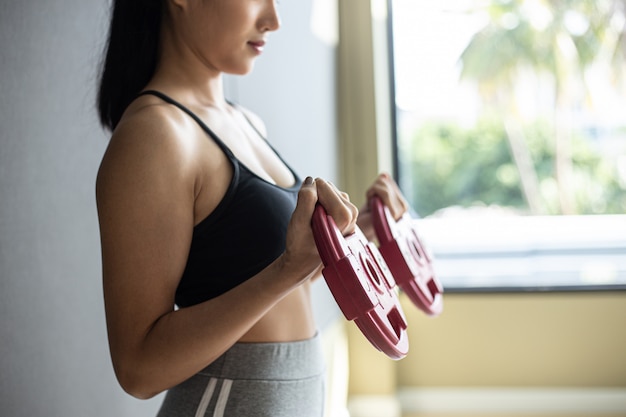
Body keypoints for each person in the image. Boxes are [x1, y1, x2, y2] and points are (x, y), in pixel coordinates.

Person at [95, 0, 409, 416]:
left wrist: (347, 241)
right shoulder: (155, 135)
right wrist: (288, 270)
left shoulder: (245, 122)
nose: (273, 20)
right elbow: (138, 369)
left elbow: (262, 286)